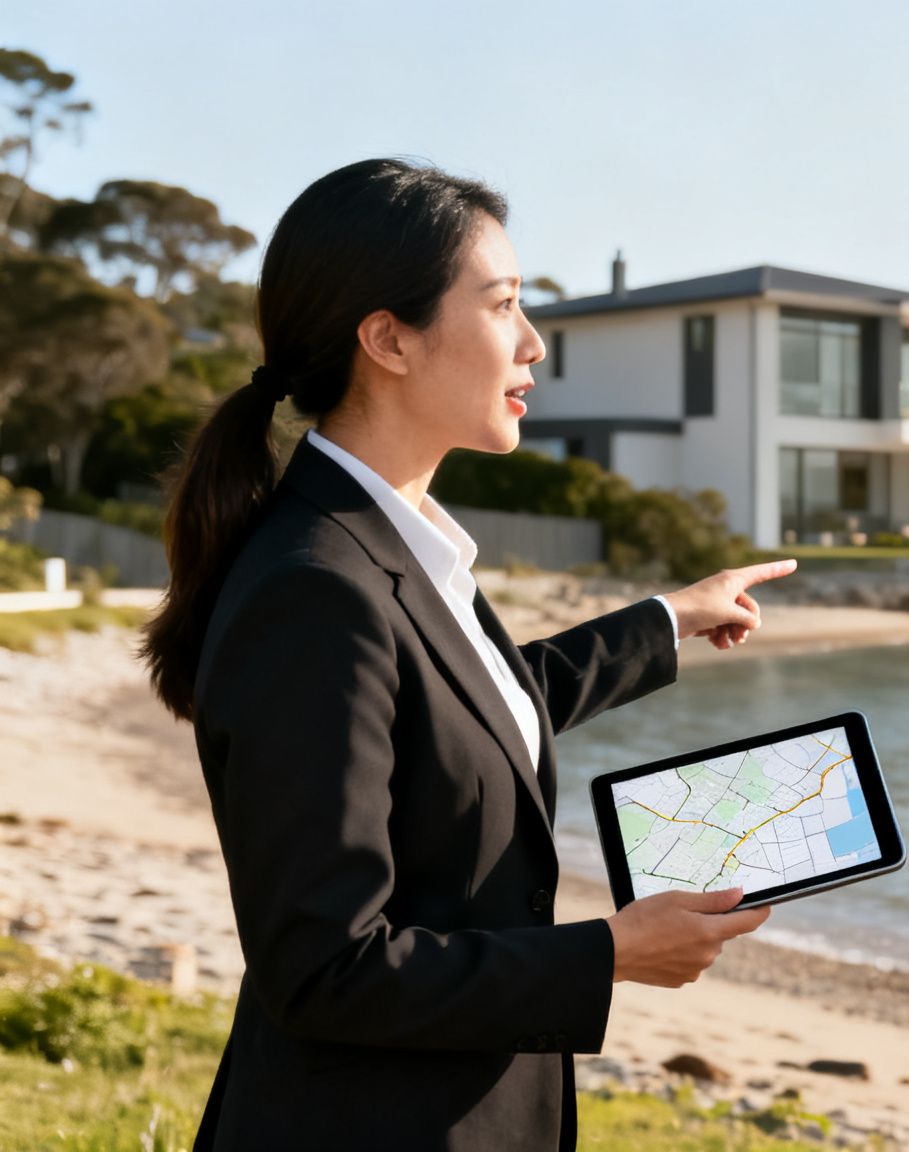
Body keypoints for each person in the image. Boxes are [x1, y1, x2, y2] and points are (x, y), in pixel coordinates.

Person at [141, 158, 795, 1151]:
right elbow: (325, 969)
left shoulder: (394, 542)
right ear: (387, 339)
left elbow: (466, 714)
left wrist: (665, 620)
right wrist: (606, 953)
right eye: (503, 307)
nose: (534, 345)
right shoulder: (315, 588)